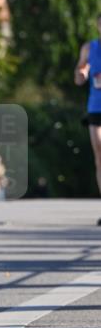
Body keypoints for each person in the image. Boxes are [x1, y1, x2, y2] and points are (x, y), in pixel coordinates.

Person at [74, 12, 101, 223]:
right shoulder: (89, 47)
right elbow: (79, 76)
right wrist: (82, 72)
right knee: (99, 158)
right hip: (95, 107)